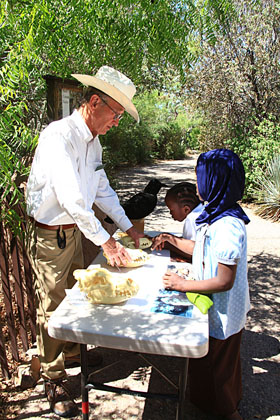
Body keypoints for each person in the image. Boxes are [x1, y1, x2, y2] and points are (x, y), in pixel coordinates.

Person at [25, 66, 144, 418]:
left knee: (80, 296)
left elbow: (100, 189)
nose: (117, 122)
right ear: (95, 102)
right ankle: (54, 377)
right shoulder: (58, 136)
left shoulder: (94, 143)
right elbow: (73, 198)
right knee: (52, 306)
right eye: (116, 113)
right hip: (50, 235)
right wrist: (108, 243)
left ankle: (75, 352)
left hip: (74, 231)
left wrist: (127, 227)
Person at [152, 149, 251, 420]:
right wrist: (173, 240)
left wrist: (182, 285)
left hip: (225, 311)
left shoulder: (228, 225)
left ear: (215, 181)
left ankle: (229, 412)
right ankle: (204, 403)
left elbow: (224, 280)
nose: (196, 186)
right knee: (205, 362)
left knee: (221, 370)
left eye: (200, 179)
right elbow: (201, 248)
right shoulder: (214, 213)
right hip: (211, 306)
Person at [157, 181, 204, 261]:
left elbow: (191, 252)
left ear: (186, 209)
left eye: (171, 209)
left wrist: (167, 244)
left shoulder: (192, 218)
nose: (170, 213)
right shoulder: (202, 210)